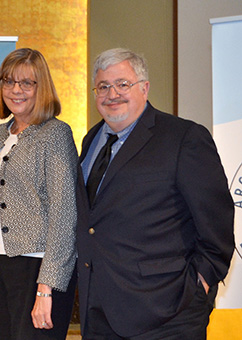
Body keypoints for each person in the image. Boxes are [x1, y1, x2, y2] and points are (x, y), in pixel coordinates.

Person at [77, 48, 234, 339]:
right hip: (97, 312)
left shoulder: (183, 138)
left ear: (144, 88)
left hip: (167, 315)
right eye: (103, 86)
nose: (112, 94)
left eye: (123, 84)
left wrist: (201, 284)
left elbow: (217, 222)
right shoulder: (91, 141)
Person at [0, 48, 77, 340]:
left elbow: (64, 212)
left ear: (40, 87)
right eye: (8, 82)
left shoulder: (55, 133)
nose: (15, 90)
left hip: (36, 267)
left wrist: (47, 287)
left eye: (26, 83)